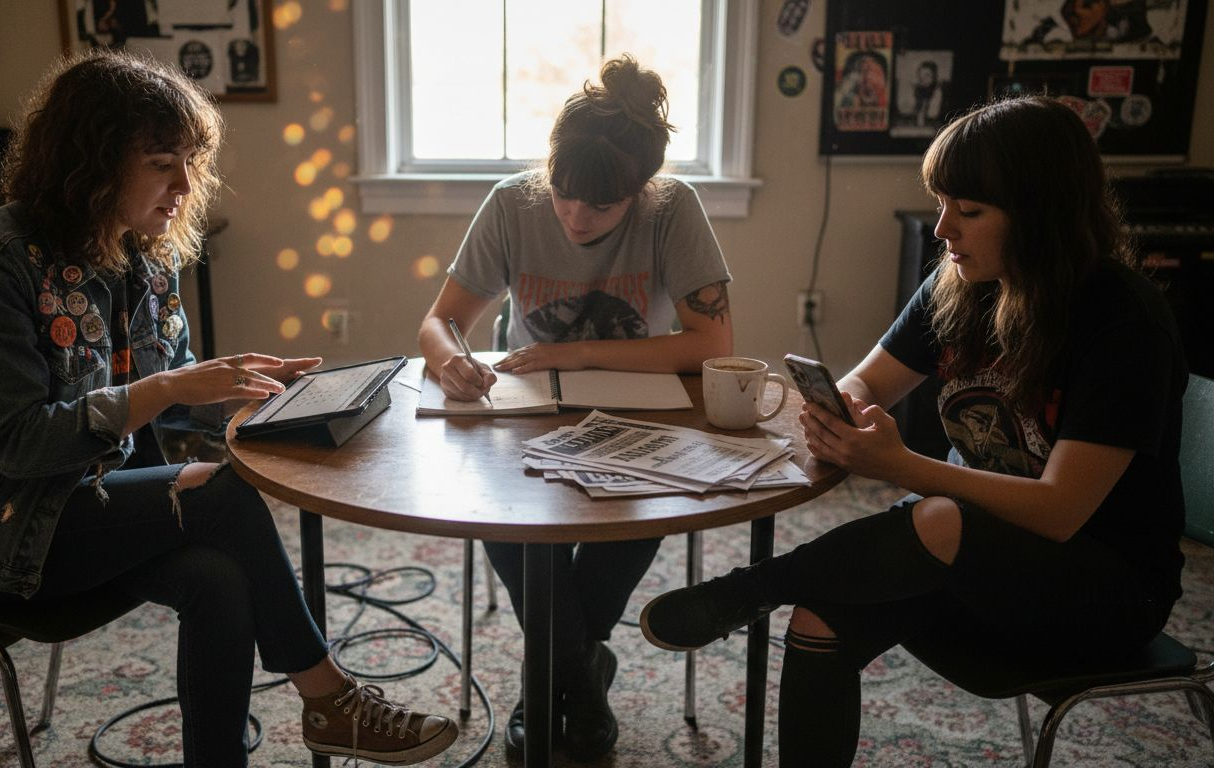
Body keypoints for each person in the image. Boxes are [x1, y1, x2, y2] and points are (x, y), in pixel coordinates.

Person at [0, 49, 457, 768]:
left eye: (190, 160)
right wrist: (167, 391)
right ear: (90, 160)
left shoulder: (140, 253)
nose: (186, 185)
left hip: (96, 504)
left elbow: (161, 390)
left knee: (219, 580)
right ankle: (329, 699)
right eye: (163, 162)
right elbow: (18, 446)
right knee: (223, 497)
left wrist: (230, 388)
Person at [638, 95, 1186, 767]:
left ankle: (750, 590)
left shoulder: (1123, 322)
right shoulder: (960, 286)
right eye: (942, 203)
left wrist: (903, 465)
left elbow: (1061, 510)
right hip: (961, 546)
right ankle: (759, 596)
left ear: (1042, 215)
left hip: (1107, 590)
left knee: (934, 517)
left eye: (970, 211)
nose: (942, 229)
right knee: (823, 618)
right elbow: (866, 382)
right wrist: (845, 412)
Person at [417, 54, 732, 761]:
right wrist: (450, 360)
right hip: (527, 410)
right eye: (563, 194)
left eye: (602, 204)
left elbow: (711, 343)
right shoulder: (511, 202)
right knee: (501, 514)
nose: (575, 216)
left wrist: (575, 353)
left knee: (648, 506)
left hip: (635, 409)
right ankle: (580, 674)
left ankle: (545, 676)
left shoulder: (672, 207)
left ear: (640, 190)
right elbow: (438, 322)